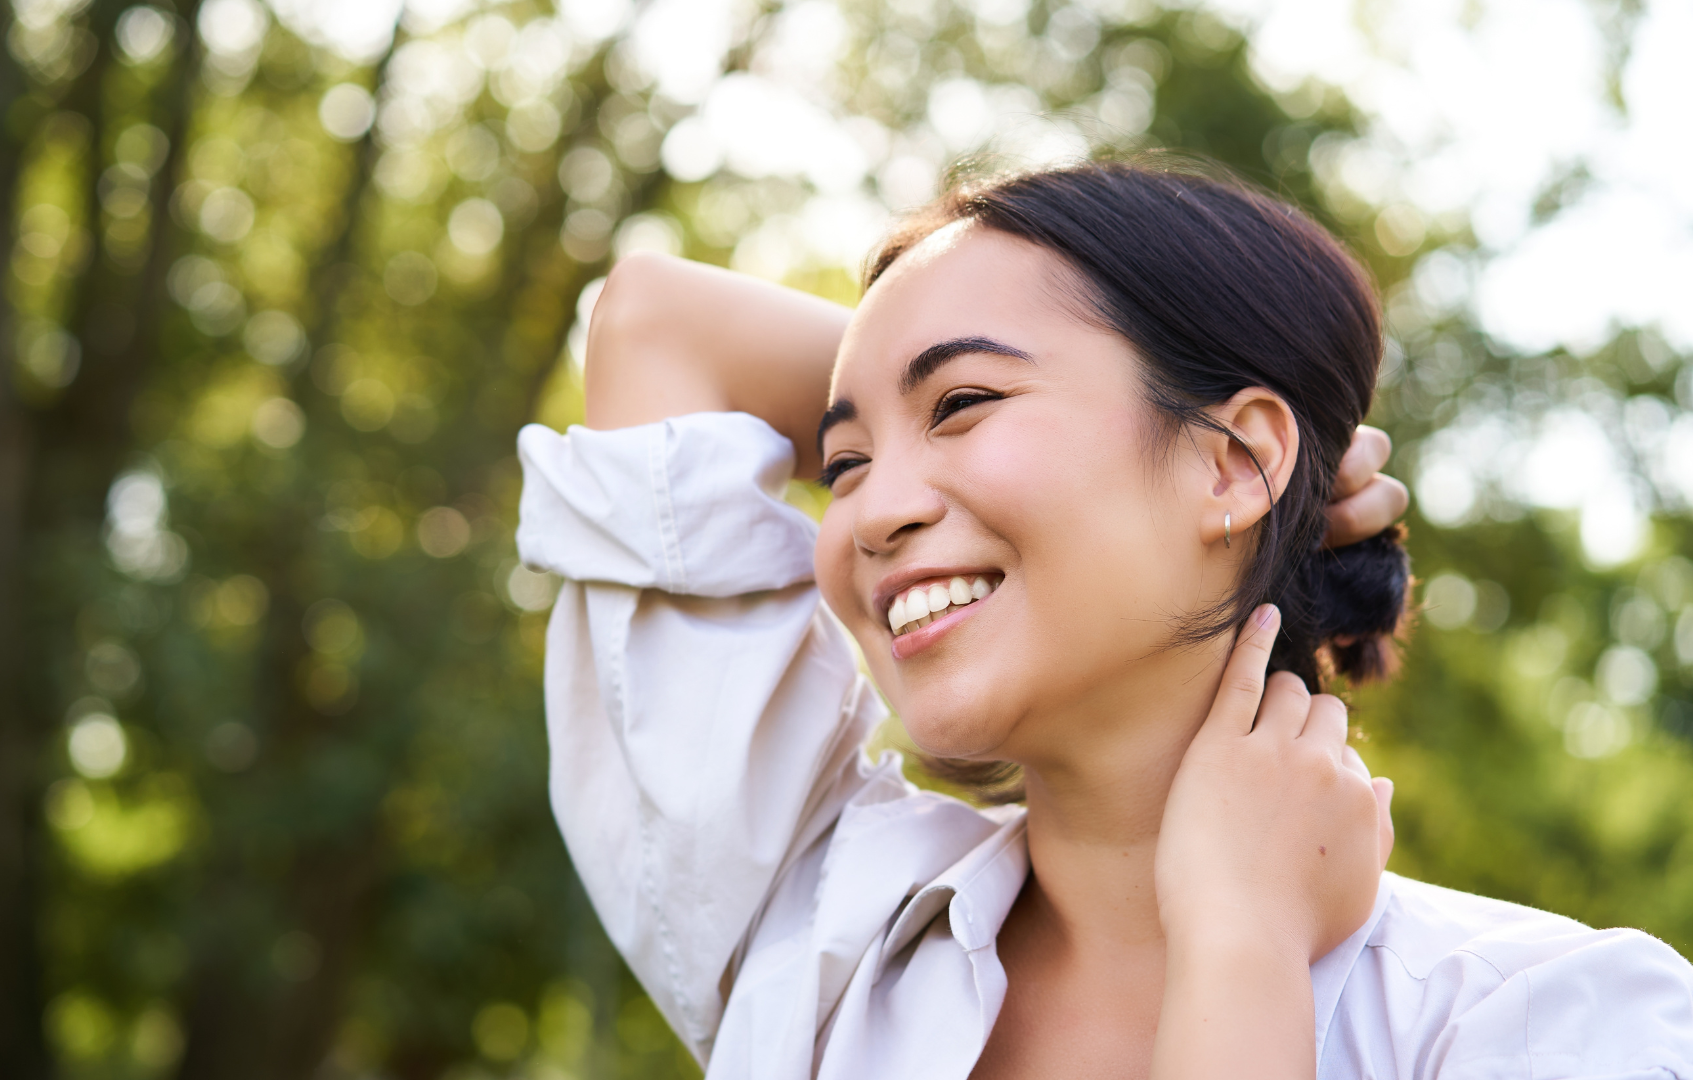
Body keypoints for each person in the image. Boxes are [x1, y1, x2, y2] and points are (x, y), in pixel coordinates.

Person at [515, 159, 1693, 1079]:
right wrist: (1223, 449)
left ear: (1235, 462)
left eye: (965, 402)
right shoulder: (824, 933)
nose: (868, 515)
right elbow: (657, 323)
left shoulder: (1553, 1027)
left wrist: (1244, 945)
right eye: (845, 460)